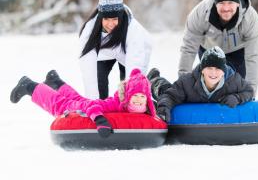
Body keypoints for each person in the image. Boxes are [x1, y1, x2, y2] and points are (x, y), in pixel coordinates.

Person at [10, 69, 157, 138]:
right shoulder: (117, 103)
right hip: (87, 109)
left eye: (142, 96)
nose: (138, 99)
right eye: (134, 96)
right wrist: (100, 120)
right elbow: (91, 107)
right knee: (62, 105)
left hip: (87, 103)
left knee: (77, 98)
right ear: (127, 96)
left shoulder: (147, 107)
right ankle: (28, 86)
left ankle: (56, 82)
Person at [178, 0, 258, 95]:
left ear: (238, 3)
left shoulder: (251, 20)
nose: (226, 8)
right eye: (222, 3)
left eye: (230, 3)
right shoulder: (199, 15)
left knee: (238, 88)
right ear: (215, 3)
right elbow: (188, 49)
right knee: (209, 88)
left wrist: (250, 93)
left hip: (238, 52)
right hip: (209, 51)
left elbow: (254, 56)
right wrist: (183, 85)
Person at [148, 46, 254, 122]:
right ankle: (154, 79)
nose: (213, 73)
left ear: (223, 71)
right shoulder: (188, 82)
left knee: (171, 90)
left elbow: (249, 91)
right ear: (202, 69)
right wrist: (163, 109)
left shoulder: (233, 81)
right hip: (185, 97)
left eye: (218, 69)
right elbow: (170, 96)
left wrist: (237, 97)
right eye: (209, 68)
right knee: (165, 90)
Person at [79, 0, 152, 99]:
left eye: (114, 19)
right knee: (99, 82)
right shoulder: (90, 29)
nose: (110, 24)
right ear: (100, 18)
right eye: (106, 19)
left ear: (120, 17)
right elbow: (88, 65)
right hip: (104, 52)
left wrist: (132, 97)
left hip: (127, 54)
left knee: (126, 87)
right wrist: (93, 102)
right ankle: (102, 104)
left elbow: (135, 63)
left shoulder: (133, 30)